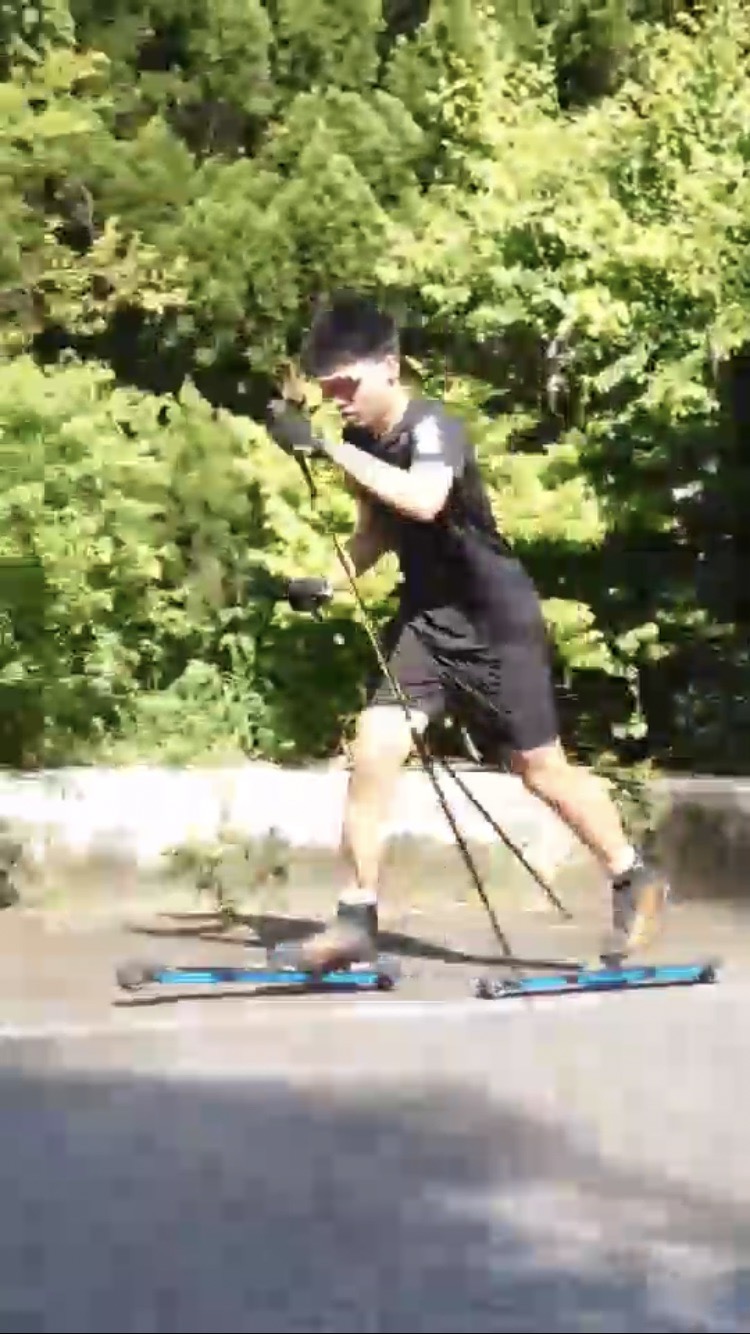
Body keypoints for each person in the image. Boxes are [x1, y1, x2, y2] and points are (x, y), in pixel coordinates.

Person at [266, 292, 669, 970]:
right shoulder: (361, 441)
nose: (337, 401)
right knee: (374, 745)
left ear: (389, 367)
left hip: (495, 620)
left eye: (346, 386)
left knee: (540, 770)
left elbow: (424, 500)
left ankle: (634, 877)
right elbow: (378, 530)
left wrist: (326, 447)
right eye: (328, 391)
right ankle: (355, 916)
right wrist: (328, 582)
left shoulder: (434, 428)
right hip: (428, 621)